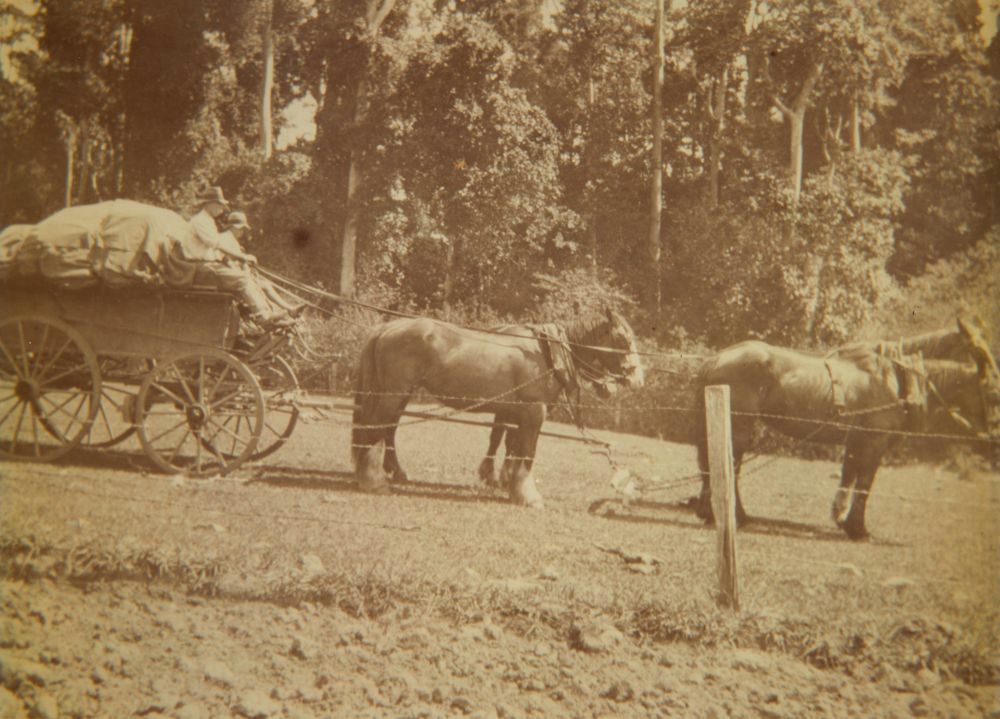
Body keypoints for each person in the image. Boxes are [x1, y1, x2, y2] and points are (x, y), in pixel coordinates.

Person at [165, 186, 290, 328]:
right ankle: (263, 318)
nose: (222, 208)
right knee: (243, 279)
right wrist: (242, 257)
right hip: (201, 266)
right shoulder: (200, 221)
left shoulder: (208, 221)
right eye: (219, 204)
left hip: (209, 265)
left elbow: (216, 250)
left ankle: (265, 317)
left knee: (250, 279)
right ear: (209, 203)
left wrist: (237, 259)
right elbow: (216, 244)